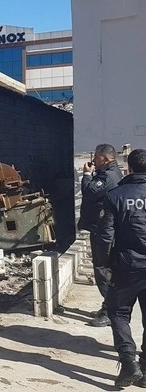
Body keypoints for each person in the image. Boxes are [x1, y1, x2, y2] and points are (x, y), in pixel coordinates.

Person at [96, 148, 146, 387]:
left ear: (129, 168)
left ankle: (129, 362)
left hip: (127, 264)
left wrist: (105, 264)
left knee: (118, 312)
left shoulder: (116, 195)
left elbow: (106, 236)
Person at [80, 143, 124, 327]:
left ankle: (110, 312)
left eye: (96, 157)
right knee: (103, 269)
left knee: (103, 270)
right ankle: (107, 306)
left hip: (103, 230)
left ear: (106, 158)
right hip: (101, 228)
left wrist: (87, 175)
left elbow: (90, 192)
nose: (93, 160)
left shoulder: (108, 176)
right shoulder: (108, 173)